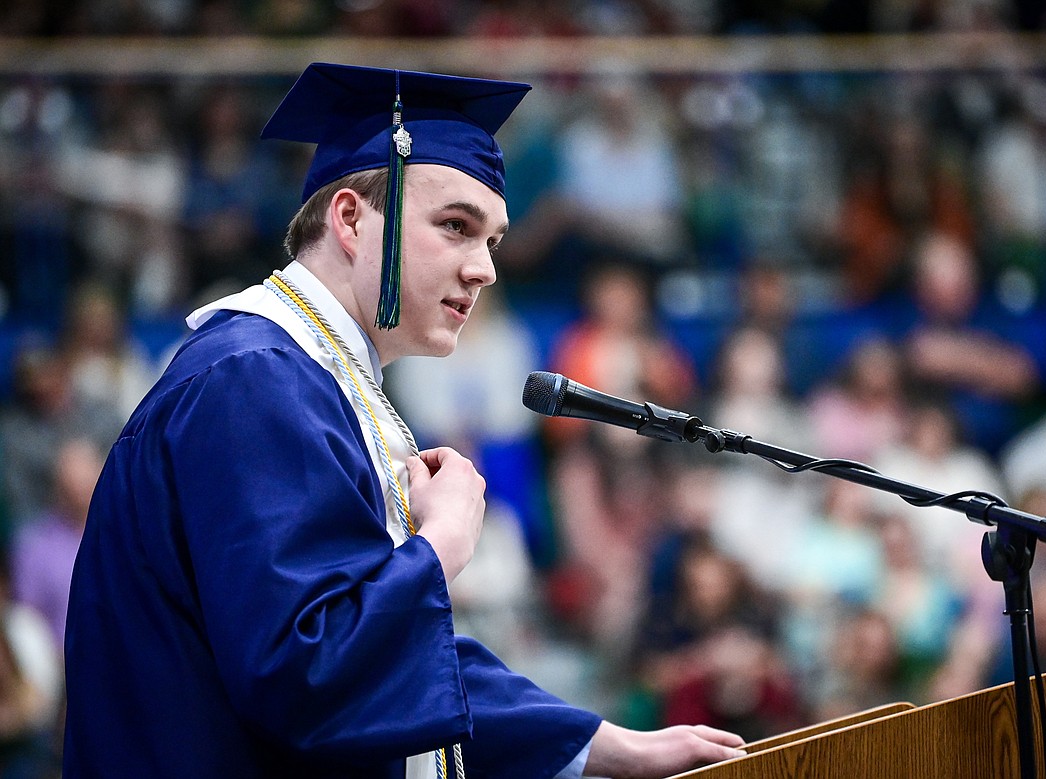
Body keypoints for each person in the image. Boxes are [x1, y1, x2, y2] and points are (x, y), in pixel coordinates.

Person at [63, 62, 745, 779]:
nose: (483, 269)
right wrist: (442, 543)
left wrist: (604, 743)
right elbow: (310, 670)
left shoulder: (315, 378)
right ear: (351, 219)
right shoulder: (254, 378)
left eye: (493, 242)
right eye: (456, 226)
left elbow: (389, 648)